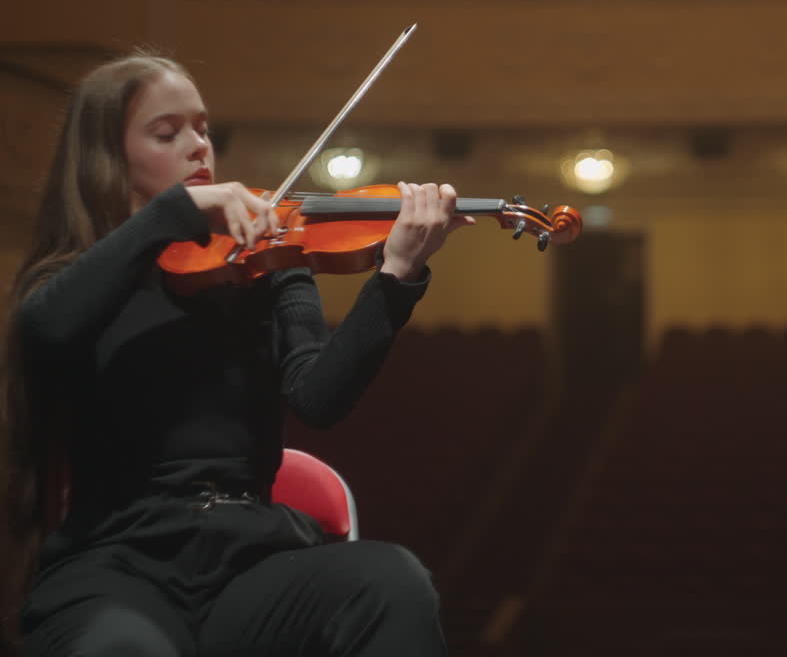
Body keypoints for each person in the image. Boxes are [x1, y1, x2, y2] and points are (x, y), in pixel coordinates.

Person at [1, 51, 474, 655]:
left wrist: (397, 276)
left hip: (250, 561)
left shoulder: (264, 257)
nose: (198, 146)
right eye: (167, 133)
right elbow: (45, 329)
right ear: (106, 157)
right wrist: (172, 214)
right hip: (116, 566)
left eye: (202, 128)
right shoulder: (75, 280)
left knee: (393, 584)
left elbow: (319, 397)